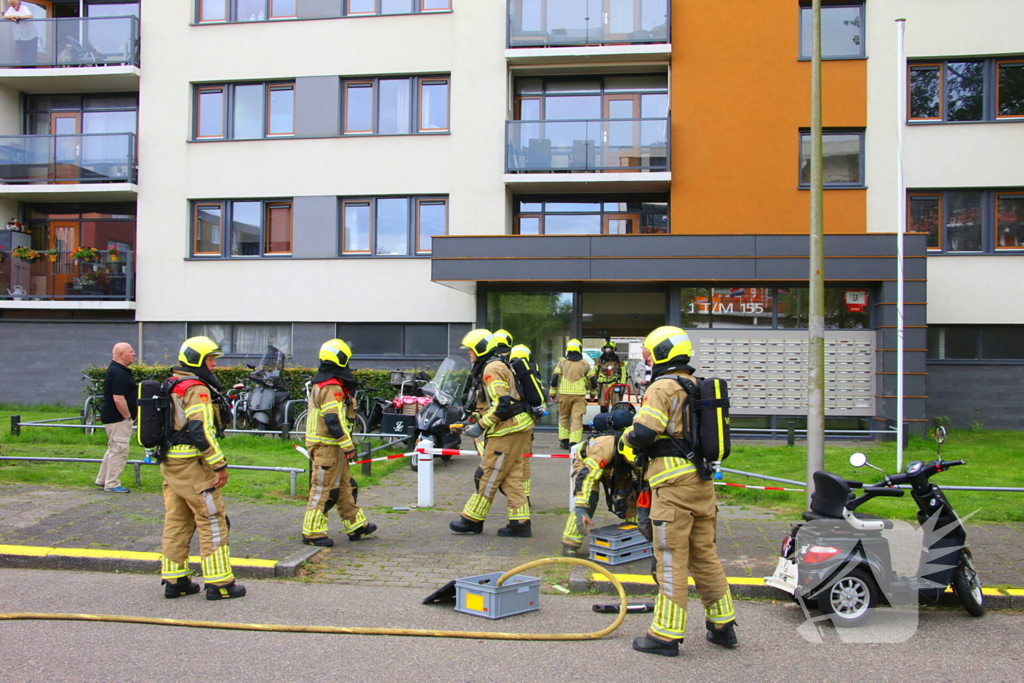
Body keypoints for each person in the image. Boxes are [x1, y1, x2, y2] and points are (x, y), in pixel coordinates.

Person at [619, 326, 737, 656]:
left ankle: (665, 635)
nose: (645, 358)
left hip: (672, 487)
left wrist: (624, 436)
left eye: (648, 353)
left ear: (663, 353)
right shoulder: (696, 386)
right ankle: (723, 626)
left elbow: (644, 433)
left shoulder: (663, 387)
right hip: (701, 484)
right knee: (705, 555)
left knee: (670, 557)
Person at [159, 336, 245, 601]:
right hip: (193, 466)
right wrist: (218, 465)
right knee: (213, 520)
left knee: (177, 519)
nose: (213, 365)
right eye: (210, 359)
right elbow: (201, 429)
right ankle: (220, 583)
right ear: (197, 360)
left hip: (171, 464)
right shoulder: (196, 388)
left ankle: (176, 580)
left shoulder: (172, 383)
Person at [450, 329, 534, 537]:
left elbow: (502, 405)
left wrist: (481, 427)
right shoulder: (495, 364)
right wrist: (474, 420)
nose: (469, 354)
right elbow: (491, 404)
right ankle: (520, 523)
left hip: (507, 430)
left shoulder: (491, 368)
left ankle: (472, 519)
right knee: (511, 475)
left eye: (470, 350)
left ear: (480, 349)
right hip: (516, 427)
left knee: (488, 474)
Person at [302, 339, 377, 547]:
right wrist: (347, 445)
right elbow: (333, 419)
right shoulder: (331, 386)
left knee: (345, 486)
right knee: (323, 489)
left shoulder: (324, 382)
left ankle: (356, 524)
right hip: (328, 446)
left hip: (330, 445)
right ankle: (312, 532)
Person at [560, 409, 637, 557]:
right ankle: (570, 543)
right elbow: (587, 476)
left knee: (631, 498)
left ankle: (634, 534)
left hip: (616, 469)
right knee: (589, 501)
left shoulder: (635, 443)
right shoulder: (604, 447)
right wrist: (581, 506)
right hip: (588, 468)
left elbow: (639, 469)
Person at [94, 342, 137, 493]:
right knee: (119, 449)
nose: (134, 354)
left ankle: (102, 479)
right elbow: (118, 398)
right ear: (120, 355)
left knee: (113, 447)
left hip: (114, 417)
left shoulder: (119, 370)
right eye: (130, 351)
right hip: (117, 418)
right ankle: (112, 483)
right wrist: (127, 416)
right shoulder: (118, 372)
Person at [549, 338, 595, 450]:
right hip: (579, 395)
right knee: (576, 418)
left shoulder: (562, 362)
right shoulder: (585, 363)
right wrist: (593, 394)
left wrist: (552, 393)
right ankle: (574, 443)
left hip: (564, 394)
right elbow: (593, 380)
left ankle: (564, 440)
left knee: (564, 416)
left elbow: (555, 378)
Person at [595, 339, 627, 413]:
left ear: (613, 349)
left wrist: (622, 384)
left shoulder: (618, 360)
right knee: (603, 405)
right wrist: (594, 383)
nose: (608, 350)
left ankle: (615, 420)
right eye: (606, 348)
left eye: (610, 348)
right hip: (603, 385)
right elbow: (594, 372)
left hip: (615, 385)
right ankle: (604, 420)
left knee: (616, 405)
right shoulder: (599, 360)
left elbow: (624, 372)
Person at [4, 0, 38, 67]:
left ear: (17, 2)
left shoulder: (24, 8)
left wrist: (18, 17)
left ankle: (31, 72)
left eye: (13, 3)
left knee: (31, 56)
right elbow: (5, 16)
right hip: (19, 37)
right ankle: (25, 70)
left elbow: (29, 16)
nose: (12, 5)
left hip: (30, 36)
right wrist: (11, 17)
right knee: (23, 56)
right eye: (11, 4)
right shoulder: (11, 9)